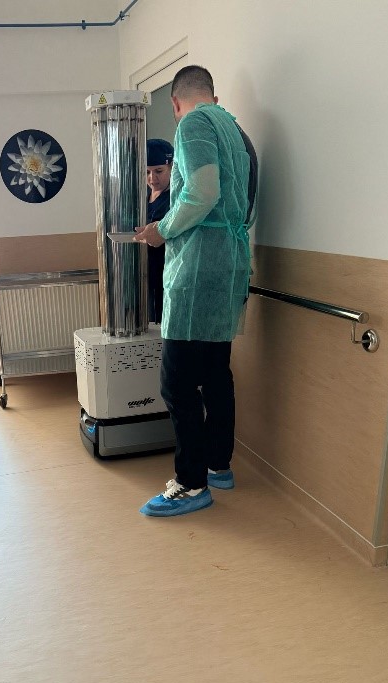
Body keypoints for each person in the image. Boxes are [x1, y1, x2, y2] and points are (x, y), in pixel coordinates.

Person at [135, 66, 257, 517]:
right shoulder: (235, 131)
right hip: (229, 267)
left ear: (175, 102)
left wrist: (162, 230)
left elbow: (201, 193)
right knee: (216, 373)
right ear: (212, 94)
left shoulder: (193, 124)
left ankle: (190, 484)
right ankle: (218, 465)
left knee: (177, 382)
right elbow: (244, 203)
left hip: (199, 268)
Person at [145, 138, 174, 324]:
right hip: (146, 276)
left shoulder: (175, 200)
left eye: (158, 171)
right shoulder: (143, 196)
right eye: (147, 172)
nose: (152, 178)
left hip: (166, 277)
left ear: (171, 167)